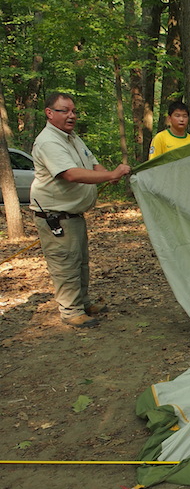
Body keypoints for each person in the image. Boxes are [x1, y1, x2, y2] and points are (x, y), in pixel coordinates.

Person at [30, 92, 131, 328]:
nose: (71, 115)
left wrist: (107, 173)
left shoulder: (71, 137)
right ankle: (71, 310)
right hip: (56, 217)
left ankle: (83, 303)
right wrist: (110, 174)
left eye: (73, 111)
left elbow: (91, 162)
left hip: (72, 215)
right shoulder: (48, 141)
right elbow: (70, 173)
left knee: (80, 261)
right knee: (65, 263)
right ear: (49, 113)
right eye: (65, 111)